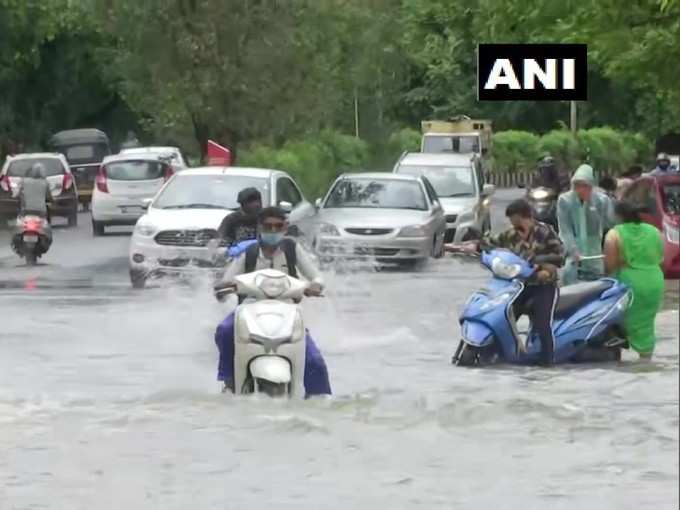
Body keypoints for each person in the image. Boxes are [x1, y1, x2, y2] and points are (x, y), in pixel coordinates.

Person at [214, 206, 331, 396]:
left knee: (313, 360)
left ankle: (320, 397)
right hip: (250, 309)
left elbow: (316, 276)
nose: (274, 231)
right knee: (225, 330)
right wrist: (224, 288)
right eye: (268, 226)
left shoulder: (292, 249)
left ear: (285, 227)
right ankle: (229, 379)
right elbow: (227, 280)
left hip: (288, 311)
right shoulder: (249, 253)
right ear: (260, 228)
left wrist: (315, 286)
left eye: (278, 226)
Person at [446, 199, 565, 366]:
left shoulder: (546, 233)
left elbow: (559, 256)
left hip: (544, 286)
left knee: (542, 325)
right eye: (513, 225)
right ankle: (499, 355)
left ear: (529, 217)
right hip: (519, 286)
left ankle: (547, 363)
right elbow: (489, 243)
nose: (517, 229)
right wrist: (466, 247)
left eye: (519, 224)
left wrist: (544, 269)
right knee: (502, 318)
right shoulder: (511, 235)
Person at [603, 202, 664, 359]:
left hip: (630, 283)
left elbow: (610, 265)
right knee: (645, 324)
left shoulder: (614, 234)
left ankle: (620, 364)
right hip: (654, 281)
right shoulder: (655, 232)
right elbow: (661, 258)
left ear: (618, 216)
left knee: (620, 324)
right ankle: (646, 362)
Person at [557, 164, 614, 285]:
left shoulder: (601, 201)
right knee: (570, 275)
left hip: (594, 248)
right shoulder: (565, 201)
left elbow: (610, 224)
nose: (581, 190)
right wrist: (573, 250)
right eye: (577, 186)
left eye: (585, 186)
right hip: (574, 246)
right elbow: (565, 229)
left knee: (597, 281)